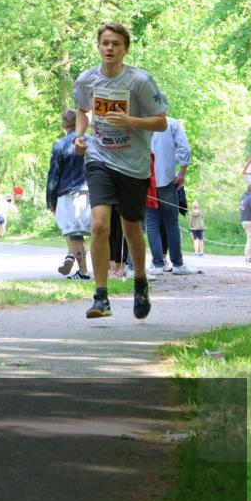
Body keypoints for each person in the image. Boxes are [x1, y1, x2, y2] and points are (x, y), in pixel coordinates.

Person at [73, 22, 168, 319]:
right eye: (105, 43)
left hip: (133, 164)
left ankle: (140, 282)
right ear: (99, 47)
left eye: (116, 43)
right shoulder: (87, 80)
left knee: (130, 228)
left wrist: (130, 121)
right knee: (99, 225)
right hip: (99, 158)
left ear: (125, 49)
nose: (110, 48)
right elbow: (82, 110)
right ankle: (101, 296)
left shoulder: (139, 81)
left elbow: (161, 121)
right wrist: (79, 135)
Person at [146, 116, 198, 275]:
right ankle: (177, 263)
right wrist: (182, 173)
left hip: (145, 180)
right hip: (168, 180)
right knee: (171, 223)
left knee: (152, 223)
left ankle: (157, 265)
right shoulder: (172, 123)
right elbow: (185, 148)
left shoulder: (140, 121)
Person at [47, 109, 91, 280]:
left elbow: (54, 174)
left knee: (74, 232)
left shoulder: (60, 144)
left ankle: (76, 262)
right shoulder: (91, 141)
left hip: (68, 192)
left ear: (63, 125)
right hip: (91, 192)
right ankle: (80, 268)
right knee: (81, 232)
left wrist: (50, 199)